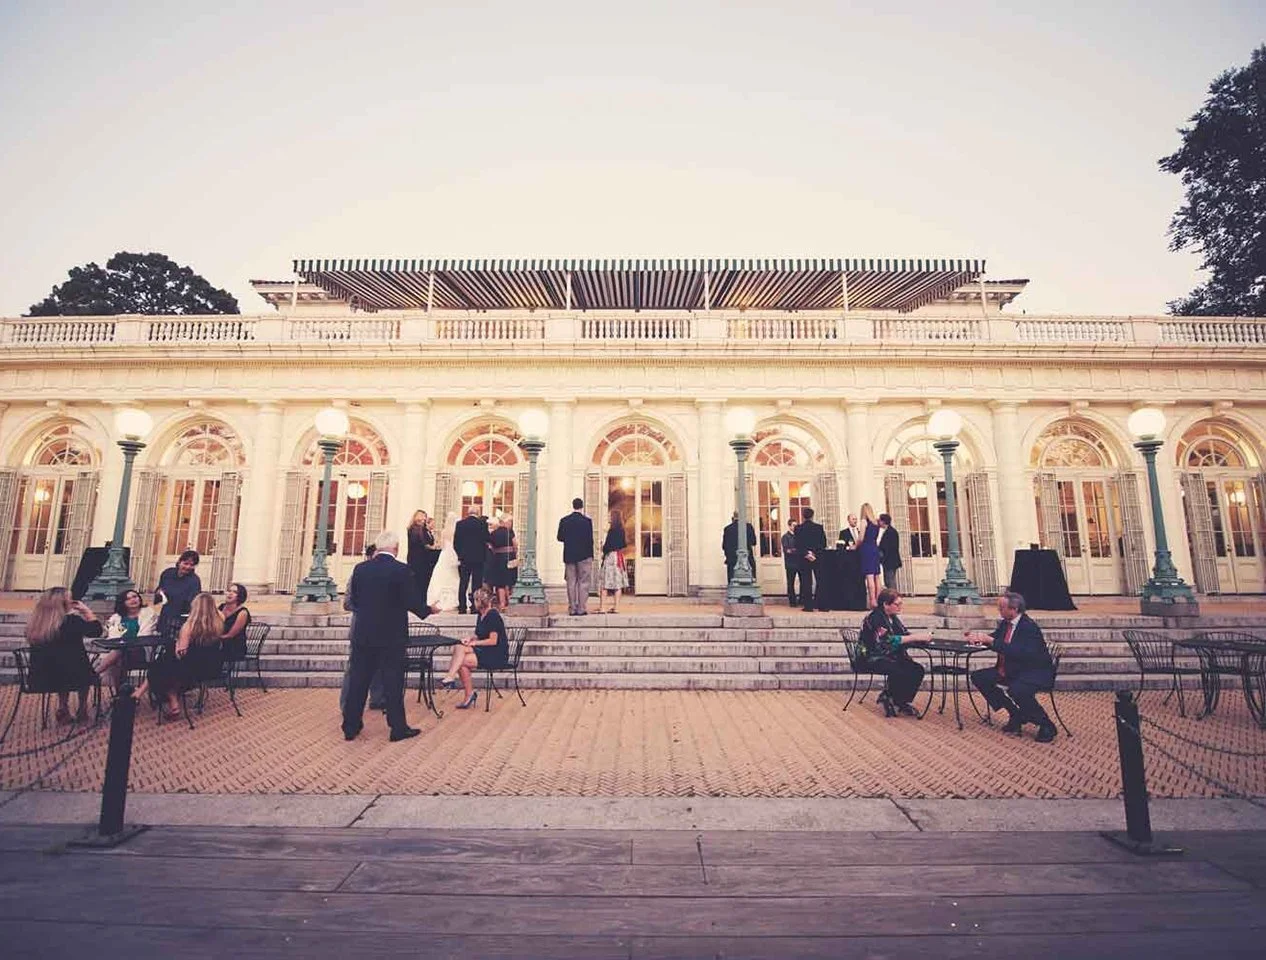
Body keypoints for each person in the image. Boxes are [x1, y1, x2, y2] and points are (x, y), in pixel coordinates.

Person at [341, 529, 439, 742]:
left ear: (377, 547)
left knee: (359, 680)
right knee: (393, 681)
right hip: (391, 635)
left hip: (363, 633)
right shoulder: (401, 570)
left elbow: (354, 600)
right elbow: (411, 601)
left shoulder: (360, 569)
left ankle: (350, 726)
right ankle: (397, 728)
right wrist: (428, 610)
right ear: (396, 548)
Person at [966, 592, 1058, 743]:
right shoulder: (1005, 623)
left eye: (1002, 608)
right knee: (979, 677)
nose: (999, 611)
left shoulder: (1029, 628)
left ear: (1014, 609)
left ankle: (1046, 724)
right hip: (1011, 669)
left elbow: (1018, 652)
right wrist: (978, 638)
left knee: (1017, 690)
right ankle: (1015, 713)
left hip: (1034, 672)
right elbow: (996, 638)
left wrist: (992, 641)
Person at [133, 592, 224, 722]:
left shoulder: (189, 626)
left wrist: (176, 644)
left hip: (190, 668)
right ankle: (148, 694)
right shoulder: (219, 622)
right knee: (164, 663)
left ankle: (169, 701)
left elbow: (181, 652)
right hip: (211, 666)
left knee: (160, 666)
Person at [25, 587, 102, 724]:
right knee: (81, 666)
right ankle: (82, 707)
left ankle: (63, 707)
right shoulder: (72, 622)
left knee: (66, 662)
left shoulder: (35, 624)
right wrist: (86, 611)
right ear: (64, 604)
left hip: (41, 677)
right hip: (72, 676)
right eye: (70, 599)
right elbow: (96, 631)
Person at [857, 589, 930, 717]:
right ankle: (889, 695)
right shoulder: (876, 618)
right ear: (886, 604)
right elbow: (888, 641)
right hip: (870, 657)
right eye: (897, 604)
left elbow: (903, 635)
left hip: (889, 656)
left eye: (901, 604)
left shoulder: (893, 618)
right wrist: (915, 637)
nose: (900, 607)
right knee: (899, 669)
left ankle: (901, 701)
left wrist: (922, 639)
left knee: (917, 669)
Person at [437, 587, 506, 709]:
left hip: (496, 654)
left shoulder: (493, 615)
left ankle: (454, 679)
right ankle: (458, 684)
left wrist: (475, 643)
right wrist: (470, 638)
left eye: (475, 600)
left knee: (461, 661)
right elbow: (478, 634)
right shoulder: (481, 615)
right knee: (460, 647)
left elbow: (493, 641)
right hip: (485, 650)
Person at [341, 544, 386, 714]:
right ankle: (347, 704)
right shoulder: (358, 574)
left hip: (379, 628)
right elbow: (347, 603)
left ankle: (378, 698)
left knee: (379, 664)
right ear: (370, 557)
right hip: (361, 627)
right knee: (354, 668)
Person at [98, 588, 161, 692]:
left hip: (140, 650)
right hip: (122, 652)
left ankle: (94, 673)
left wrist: (125, 642)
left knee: (118, 652)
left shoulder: (148, 613)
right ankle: (122, 694)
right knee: (118, 660)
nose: (133, 600)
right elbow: (113, 633)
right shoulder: (118, 617)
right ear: (123, 603)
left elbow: (144, 634)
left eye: (135, 596)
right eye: (128, 599)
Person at [557, 498, 594, 616]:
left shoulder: (564, 520)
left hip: (570, 554)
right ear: (582, 506)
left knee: (571, 582)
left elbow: (560, 537)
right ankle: (581, 608)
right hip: (584, 554)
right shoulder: (587, 521)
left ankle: (572, 607)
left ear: (573, 506)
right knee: (584, 582)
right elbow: (590, 539)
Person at [153, 549, 202, 638]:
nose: (188, 567)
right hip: (166, 612)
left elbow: (194, 602)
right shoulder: (167, 573)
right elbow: (160, 589)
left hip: (181, 616)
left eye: (192, 565)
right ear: (179, 562)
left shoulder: (194, 580)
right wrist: (159, 593)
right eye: (185, 563)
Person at [453, 503, 490, 615]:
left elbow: (456, 543)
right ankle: (475, 607)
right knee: (476, 584)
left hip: (464, 558)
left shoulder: (460, 524)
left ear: (468, 512)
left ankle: (462, 607)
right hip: (478, 558)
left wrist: (460, 554)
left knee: (463, 582)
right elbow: (487, 538)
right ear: (478, 513)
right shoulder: (482, 524)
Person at [794, 507, 828, 611]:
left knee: (806, 581)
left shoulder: (798, 528)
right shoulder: (819, 528)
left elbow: (797, 544)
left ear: (803, 516)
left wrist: (806, 553)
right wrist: (814, 553)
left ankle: (808, 606)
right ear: (812, 516)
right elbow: (823, 543)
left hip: (804, 558)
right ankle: (822, 605)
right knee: (820, 580)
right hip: (817, 557)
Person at [427, 512, 462, 612]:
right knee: (454, 576)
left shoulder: (444, 532)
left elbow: (442, 545)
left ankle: (438, 599)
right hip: (453, 554)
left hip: (445, 554)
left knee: (441, 575)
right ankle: (454, 600)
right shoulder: (456, 531)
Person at [598, 509, 629, 613]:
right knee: (617, 584)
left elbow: (608, 546)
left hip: (611, 557)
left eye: (609, 516)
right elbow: (624, 544)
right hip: (619, 557)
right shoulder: (622, 530)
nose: (608, 517)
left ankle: (602, 607)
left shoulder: (611, 531)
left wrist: (602, 547)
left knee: (605, 583)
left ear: (613, 517)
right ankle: (616, 607)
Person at [485, 514, 517, 610]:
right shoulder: (510, 531)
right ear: (505, 522)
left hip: (498, 558)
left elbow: (490, 546)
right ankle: (510, 602)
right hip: (509, 556)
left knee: (500, 583)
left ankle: (502, 604)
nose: (511, 524)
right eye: (510, 522)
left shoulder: (494, 533)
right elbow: (515, 544)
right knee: (509, 581)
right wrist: (515, 553)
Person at [406, 510, 438, 601]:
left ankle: (421, 600)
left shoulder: (421, 529)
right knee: (419, 581)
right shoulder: (414, 529)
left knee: (422, 581)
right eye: (423, 516)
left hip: (422, 558)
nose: (425, 519)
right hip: (417, 558)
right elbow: (421, 543)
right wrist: (431, 547)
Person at [218, 582, 252, 662]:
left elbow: (231, 635)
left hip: (234, 645)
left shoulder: (242, 612)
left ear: (240, 596)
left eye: (235, 592)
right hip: (220, 642)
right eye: (229, 591)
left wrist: (215, 639)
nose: (230, 594)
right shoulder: (221, 607)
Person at [722, 512, 758, 583]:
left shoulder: (728, 529)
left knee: (732, 582)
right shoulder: (748, 527)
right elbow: (754, 542)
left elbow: (724, 546)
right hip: (747, 559)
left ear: (733, 518)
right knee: (749, 582)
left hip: (732, 559)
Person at [858, 502, 882, 609]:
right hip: (874, 548)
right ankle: (879, 599)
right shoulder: (876, 523)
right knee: (877, 576)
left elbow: (861, 538)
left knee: (869, 576)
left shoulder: (864, 521)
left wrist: (855, 545)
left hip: (867, 548)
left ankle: (872, 600)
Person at [878, 513, 903, 590]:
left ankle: (893, 598)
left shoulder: (890, 532)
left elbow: (889, 547)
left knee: (890, 580)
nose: (879, 522)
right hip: (889, 560)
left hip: (890, 560)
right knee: (888, 580)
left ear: (883, 522)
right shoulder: (889, 531)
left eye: (880, 520)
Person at [781, 519, 800, 606]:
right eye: (793, 525)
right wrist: (797, 551)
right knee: (791, 582)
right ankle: (792, 601)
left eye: (796, 525)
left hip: (799, 562)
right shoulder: (785, 537)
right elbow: (786, 550)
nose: (795, 527)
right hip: (790, 563)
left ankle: (801, 600)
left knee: (803, 582)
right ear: (789, 526)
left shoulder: (799, 536)